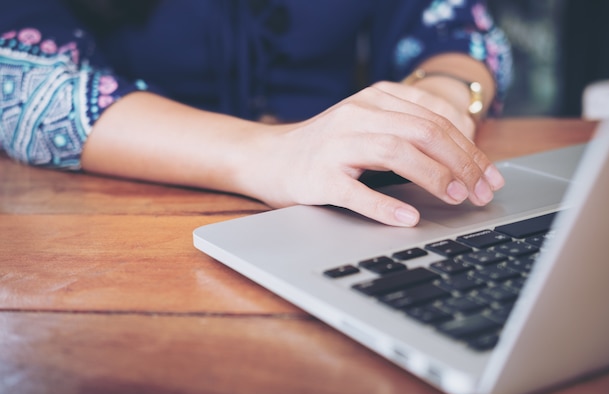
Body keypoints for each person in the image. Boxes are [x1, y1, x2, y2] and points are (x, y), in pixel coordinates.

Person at [0, 0, 512, 227]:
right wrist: (273, 154)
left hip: (341, 201)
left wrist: (441, 97)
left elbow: (452, 23)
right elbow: (26, 82)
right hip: (113, 212)